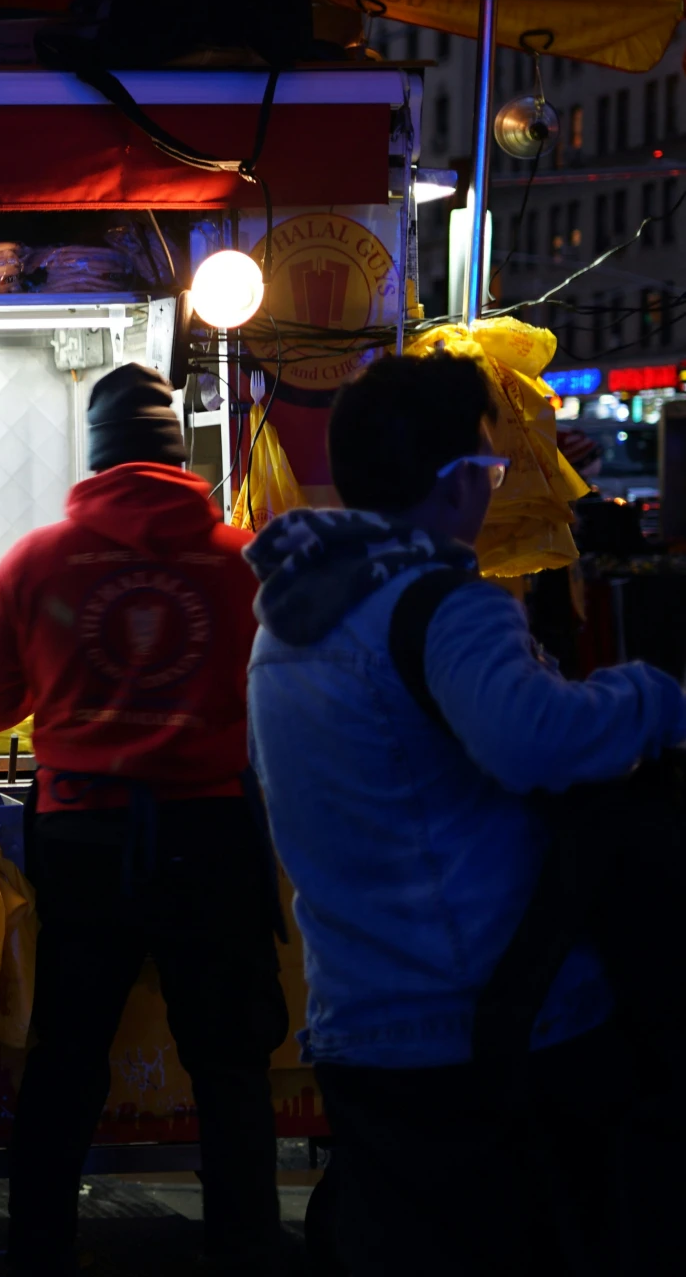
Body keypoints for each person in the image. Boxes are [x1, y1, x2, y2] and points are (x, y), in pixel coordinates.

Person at [244, 352, 686, 1275]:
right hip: (487, 1027)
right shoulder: (444, 604)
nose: (490, 491)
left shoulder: (289, 618)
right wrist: (650, 694)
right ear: (451, 484)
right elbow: (532, 738)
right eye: (487, 470)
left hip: (360, 1020)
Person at [0, 363, 286, 1277]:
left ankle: (39, 1252)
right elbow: (283, 698)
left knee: (66, 1060)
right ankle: (248, 1251)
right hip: (211, 837)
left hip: (85, 842)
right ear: (176, 454)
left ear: (96, 456)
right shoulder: (241, 556)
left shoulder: (39, 559)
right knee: (229, 1065)